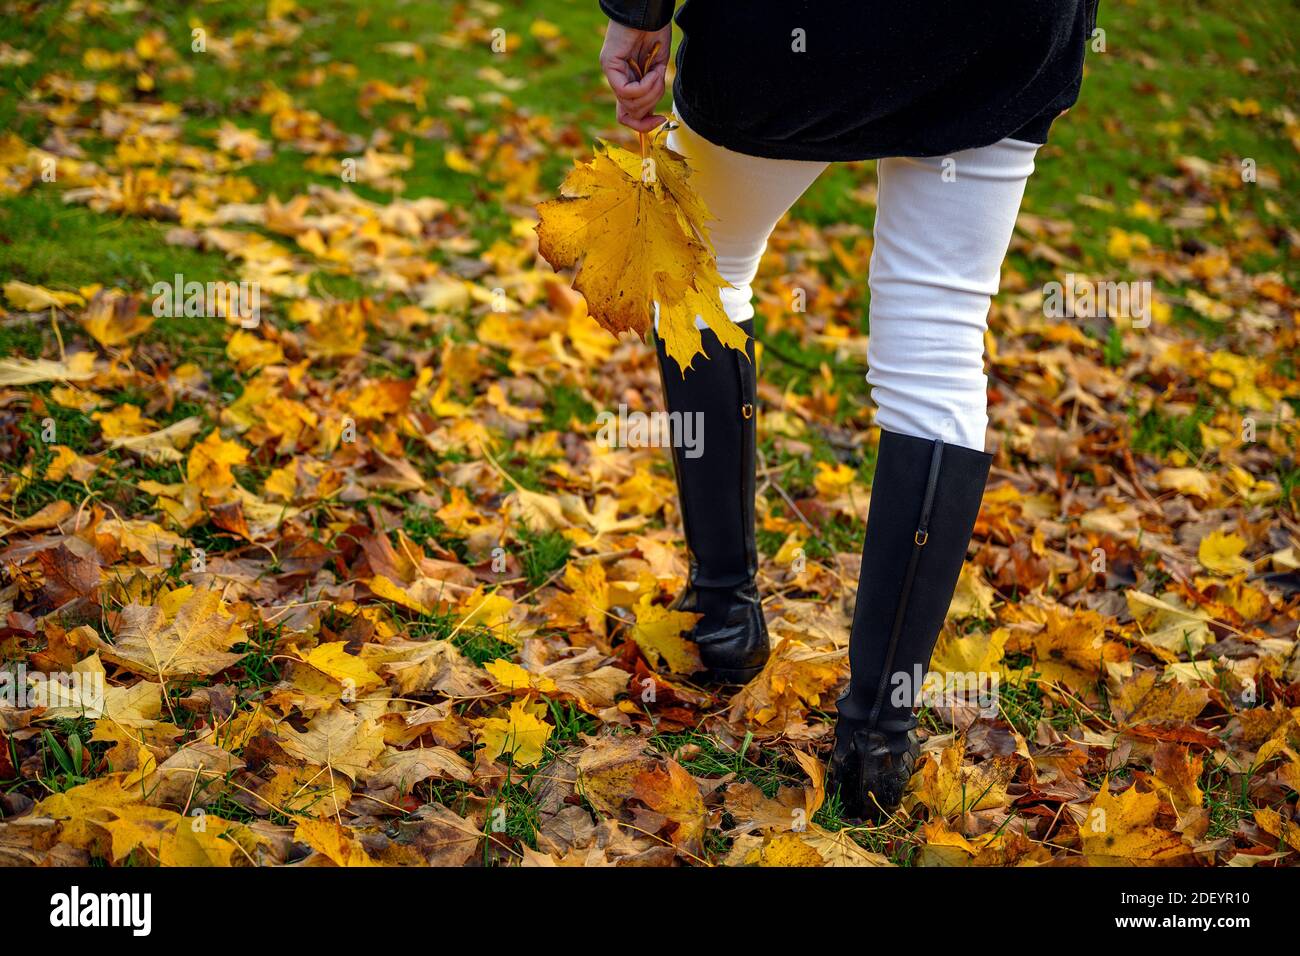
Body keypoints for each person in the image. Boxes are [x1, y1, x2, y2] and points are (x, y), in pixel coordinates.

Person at [596, 1, 1098, 820]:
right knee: (938, 345)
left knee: (697, 268)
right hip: (1002, 31)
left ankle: (724, 610)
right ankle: (876, 743)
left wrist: (638, 11)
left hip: (798, 31)